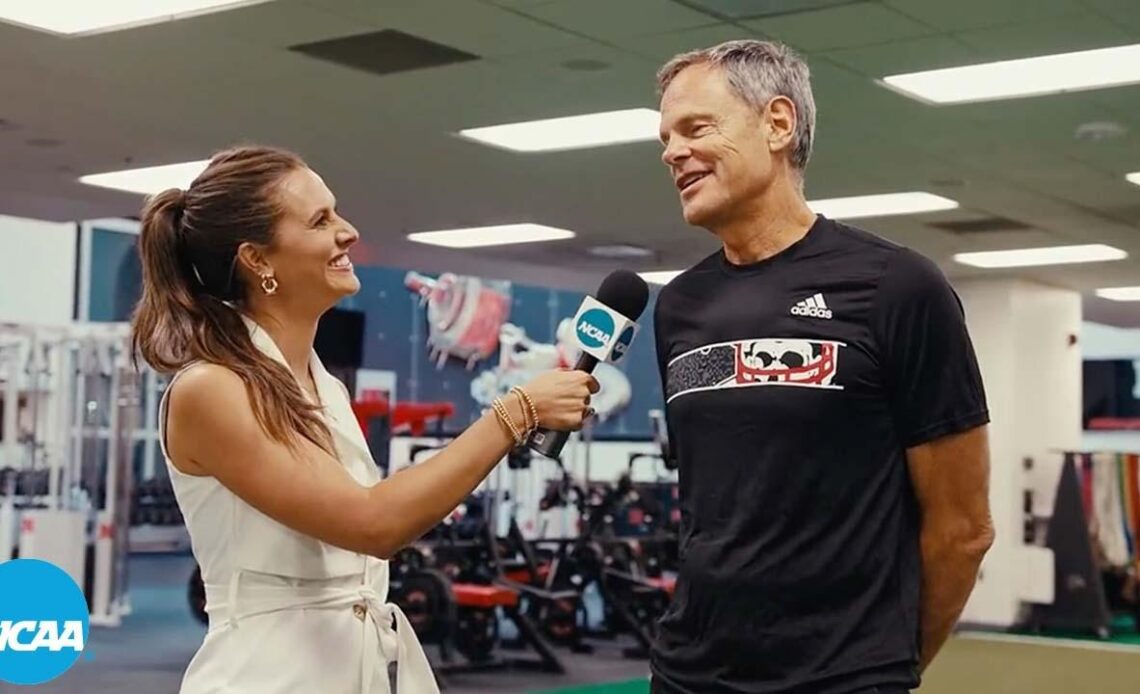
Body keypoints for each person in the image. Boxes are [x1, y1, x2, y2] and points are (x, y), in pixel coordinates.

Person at [130, 145, 598, 693]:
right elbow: (372, 524)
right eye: (320, 220)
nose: (348, 231)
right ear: (257, 259)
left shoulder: (319, 385)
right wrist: (516, 412)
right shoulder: (211, 388)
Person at [650, 40, 995, 694]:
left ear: (778, 124)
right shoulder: (679, 307)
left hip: (842, 679)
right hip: (688, 675)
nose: (671, 151)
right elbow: (712, 510)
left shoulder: (897, 286)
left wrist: (885, 667)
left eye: (696, 128)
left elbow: (964, 529)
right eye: (665, 138)